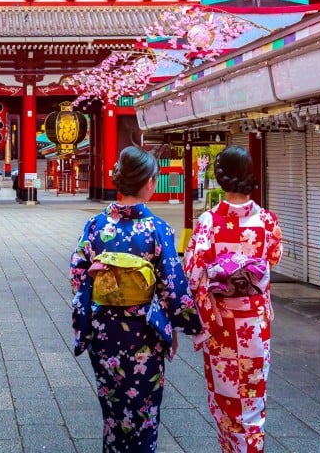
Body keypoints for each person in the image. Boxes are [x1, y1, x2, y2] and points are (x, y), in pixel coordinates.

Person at [70, 145, 201, 452]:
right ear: (148, 183)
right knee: (143, 413)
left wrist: (97, 278)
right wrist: (190, 326)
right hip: (143, 333)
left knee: (113, 411)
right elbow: (173, 285)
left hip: (104, 331)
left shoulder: (96, 226)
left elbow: (77, 274)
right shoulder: (156, 229)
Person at [182, 145, 283, 453]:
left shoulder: (208, 222)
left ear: (220, 177)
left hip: (222, 324)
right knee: (253, 401)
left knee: (226, 401)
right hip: (254, 324)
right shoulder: (267, 221)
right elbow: (273, 259)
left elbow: (192, 270)